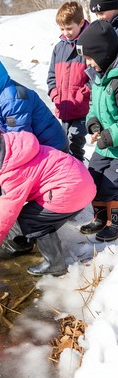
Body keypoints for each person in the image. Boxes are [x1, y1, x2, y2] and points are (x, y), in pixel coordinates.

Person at [0, 129, 96, 276]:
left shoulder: (12, 172)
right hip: (80, 183)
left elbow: (5, 214)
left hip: (71, 192)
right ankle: (29, 241)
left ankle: (56, 264)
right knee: (26, 216)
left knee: (30, 220)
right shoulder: (13, 148)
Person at [0, 47, 69, 153]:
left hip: (52, 148)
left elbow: (21, 140)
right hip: (42, 145)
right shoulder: (0, 94)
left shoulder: (11, 101)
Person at [76, 20, 118, 241]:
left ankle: (115, 223)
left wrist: (110, 135)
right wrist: (94, 123)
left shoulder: (116, 80)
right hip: (104, 145)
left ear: (103, 53)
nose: (89, 64)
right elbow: (94, 106)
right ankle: (100, 217)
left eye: (90, 59)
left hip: (116, 147)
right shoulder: (99, 77)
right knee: (93, 177)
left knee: (114, 184)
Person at [47, 1, 90, 162]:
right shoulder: (59, 48)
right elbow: (51, 76)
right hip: (63, 106)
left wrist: (82, 96)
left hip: (81, 108)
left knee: (75, 142)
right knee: (61, 143)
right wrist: (55, 94)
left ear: (80, 23)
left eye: (69, 28)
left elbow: (94, 76)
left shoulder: (88, 45)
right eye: (62, 29)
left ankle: (79, 173)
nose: (66, 32)